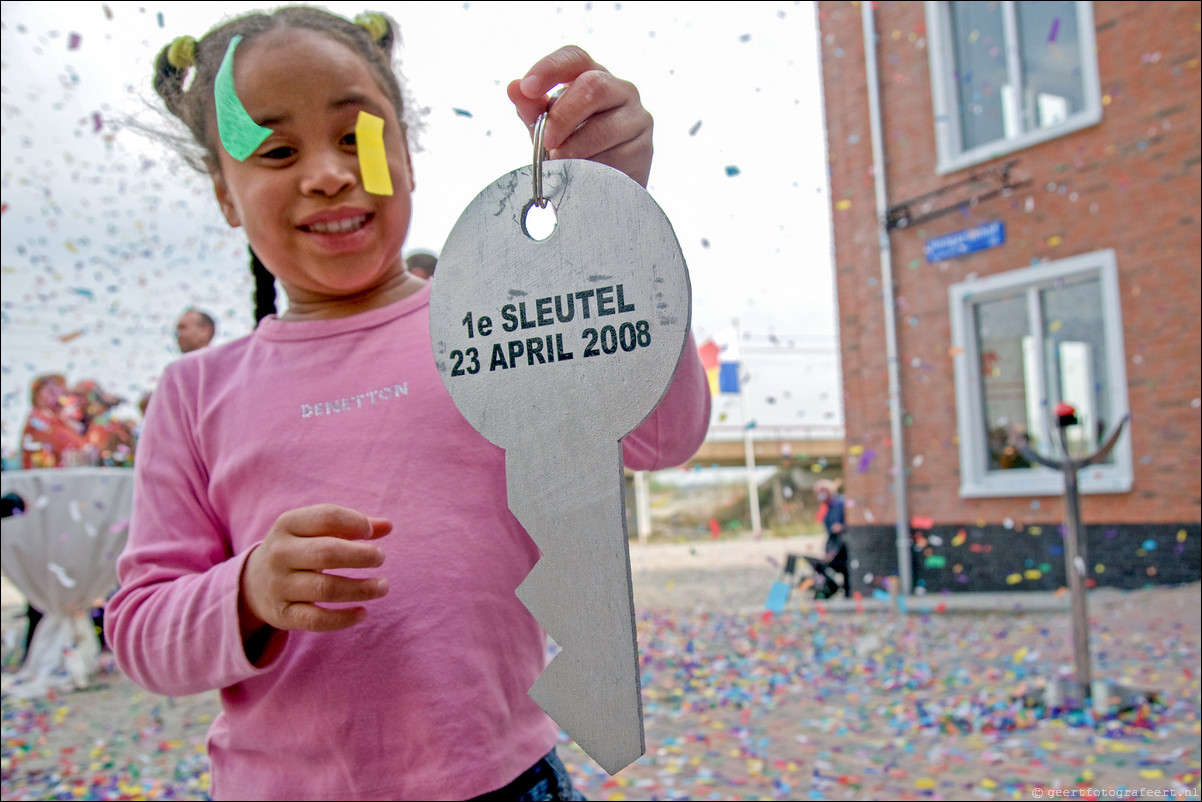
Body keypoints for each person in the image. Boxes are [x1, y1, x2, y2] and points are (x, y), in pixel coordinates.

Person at [105, 8, 708, 801]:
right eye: (277, 151)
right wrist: (247, 591)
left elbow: (663, 437)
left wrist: (614, 226)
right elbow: (141, 633)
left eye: (357, 137)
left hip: (506, 778)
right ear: (225, 192)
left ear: (407, 158)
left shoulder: (496, 320)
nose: (327, 173)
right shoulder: (193, 395)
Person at [21, 374, 88, 469]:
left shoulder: (58, 418)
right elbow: (72, 445)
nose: (59, 396)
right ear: (38, 395)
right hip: (44, 479)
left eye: (63, 392)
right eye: (52, 392)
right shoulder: (38, 418)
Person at [805, 479, 850, 599]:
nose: (819, 495)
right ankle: (831, 588)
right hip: (834, 547)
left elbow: (848, 525)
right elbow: (830, 533)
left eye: (821, 491)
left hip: (844, 548)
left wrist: (843, 526)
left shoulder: (841, 503)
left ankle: (842, 591)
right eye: (817, 492)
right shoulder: (826, 508)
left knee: (844, 569)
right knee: (817, 564)